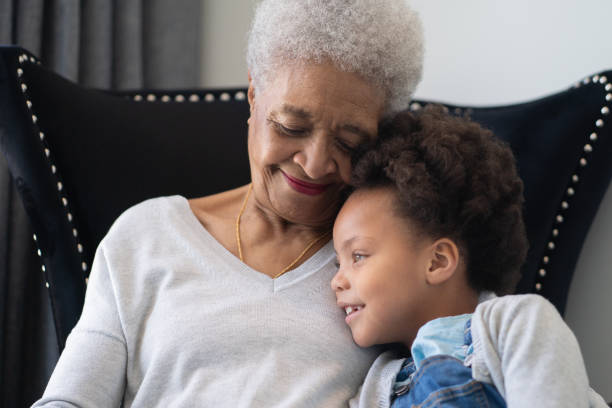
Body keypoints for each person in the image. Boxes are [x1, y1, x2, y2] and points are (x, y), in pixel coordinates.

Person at [32, 0, 424, 407]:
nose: (314, 163)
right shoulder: (145, 236)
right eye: (292, 126)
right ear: (254, 95)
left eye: (349, 142)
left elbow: (480, 346)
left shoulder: (395, 262)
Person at [331, 107, 608, 408]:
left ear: (437, 262)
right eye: (337, 263)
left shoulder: (516, 325)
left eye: (358, 256)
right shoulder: (375, 387)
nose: (336, 280)